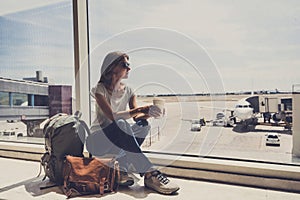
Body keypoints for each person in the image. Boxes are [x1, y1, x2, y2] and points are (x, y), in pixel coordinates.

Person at [87, 51, 180, 195]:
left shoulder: (129, 90)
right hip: (97, 140)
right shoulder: (100, 90)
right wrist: (142, 108)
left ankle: (122, 168)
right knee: (121, 124)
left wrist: (150, 113)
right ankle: (149, 173)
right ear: (112, 67)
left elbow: (137, 117)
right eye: (125, 64)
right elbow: (112, 116)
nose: (129, 68)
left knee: (143, 125)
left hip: (118, 139)